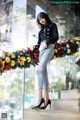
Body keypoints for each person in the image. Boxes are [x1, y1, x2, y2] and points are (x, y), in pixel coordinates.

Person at [32, 12, 59, 109]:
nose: (41, 20)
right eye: (39, 20)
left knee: (39, 70)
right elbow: (39, 43)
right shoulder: (40, 31)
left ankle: (40, 98)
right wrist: (35, 46)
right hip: (41, 52)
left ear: (45, 17)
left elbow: (56, 37)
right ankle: (47, 99)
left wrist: (47, 42)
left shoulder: (52, 25)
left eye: (42, 18)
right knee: (43, 73)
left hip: (49, 49)